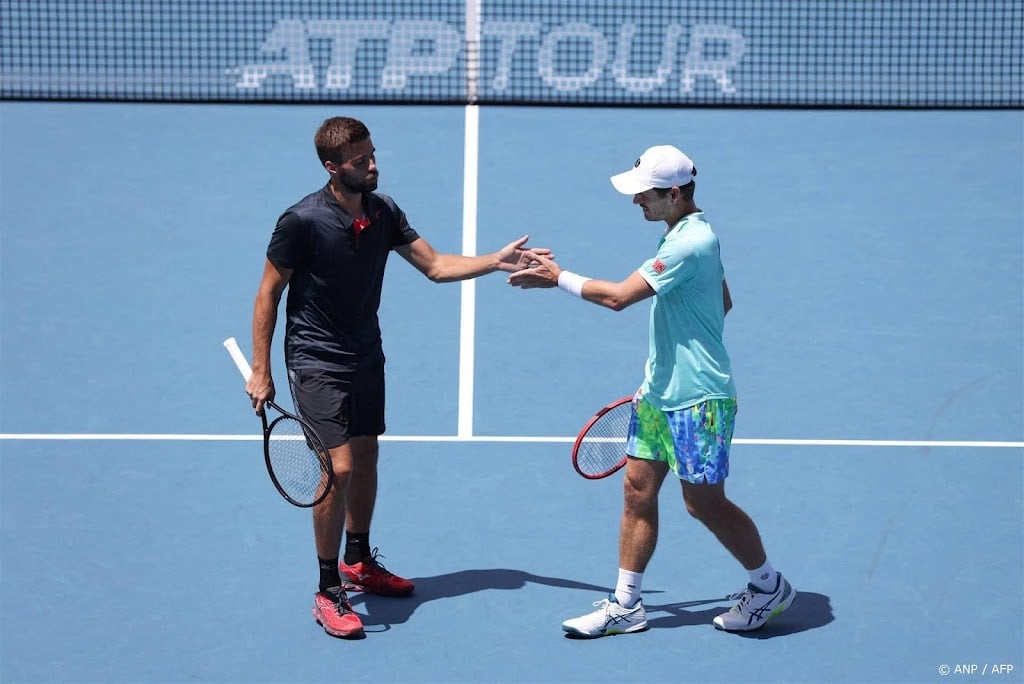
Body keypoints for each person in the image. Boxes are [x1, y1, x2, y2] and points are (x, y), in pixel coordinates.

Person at [245, 116, 549, 639]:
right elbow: (268, 292)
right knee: (337, 470)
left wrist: (496, 261)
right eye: (361, 161)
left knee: (365, 458)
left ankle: (358, 560)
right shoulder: (301, 221)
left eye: (373, 155)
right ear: (332, 168)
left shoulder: (383, 212)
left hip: (366, 354)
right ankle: (327, 589)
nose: (373, 165)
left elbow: (434, 266)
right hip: (316, 360)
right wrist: (260, 369)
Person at [508, 144, 795, 638]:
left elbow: (619, 298)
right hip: (660, 393)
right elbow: (722, 300)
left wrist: (558, 278)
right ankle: (626, 605)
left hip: (700, 400)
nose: (636, 201)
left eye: (646, 194)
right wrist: (668, 364)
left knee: (703, 503)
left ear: (676, 192)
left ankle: (768, 586)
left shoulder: (690, 243)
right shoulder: (682, 236)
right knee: (637, 490)